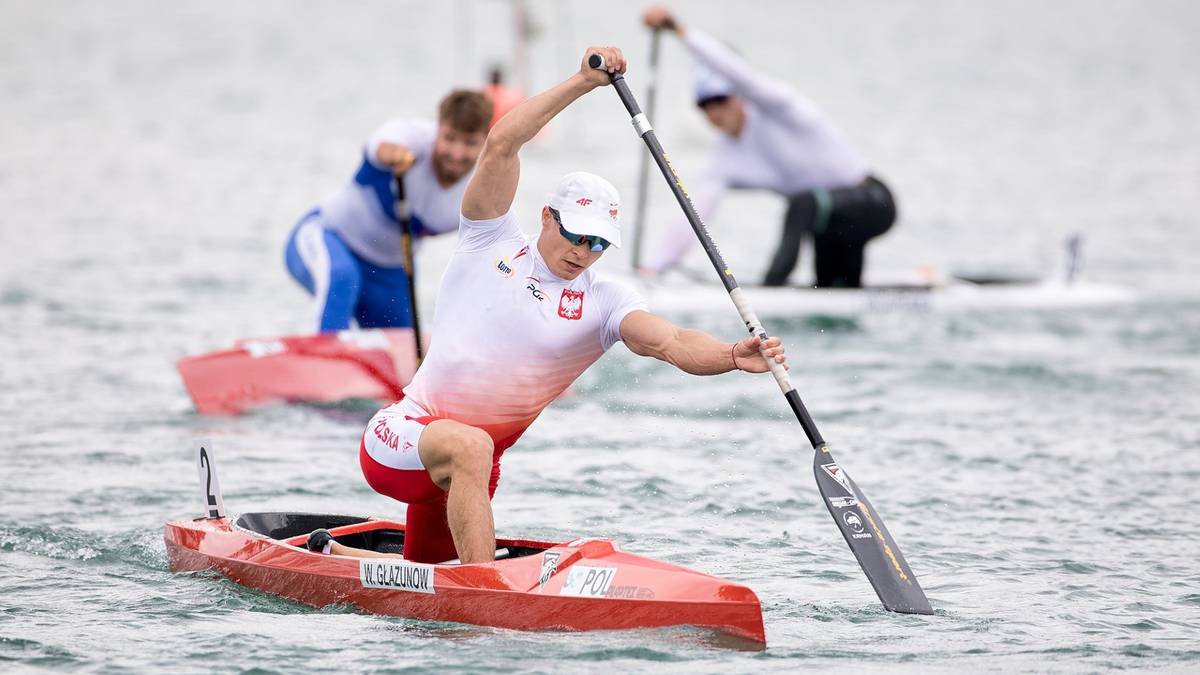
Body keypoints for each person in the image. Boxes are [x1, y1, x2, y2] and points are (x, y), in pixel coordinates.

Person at [306, 46, 787, 565]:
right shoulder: (488, 238)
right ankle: (486, 593)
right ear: (547, 217)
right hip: (399, 438)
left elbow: (669, 341)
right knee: (471, 447)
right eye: (576, 235)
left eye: (598, 243)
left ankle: (392, 573)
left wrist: (731, 355)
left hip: (469, 471)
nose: (583, 252)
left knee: (432, 573)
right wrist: (582, 82)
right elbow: (502, 143)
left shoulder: (606, 301)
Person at [640, 6, 896, 288]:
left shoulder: (777, 107)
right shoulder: (723, 161)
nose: (714, 111)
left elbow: (740, 74)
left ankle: (772, 286)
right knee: (834, 288)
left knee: (803, 202)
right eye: (705, 104)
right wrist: (652, 269)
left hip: (874, 202)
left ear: (739, 96)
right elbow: (694, 215)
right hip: (831, 224)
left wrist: (680, 31)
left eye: (721, 99)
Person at [284, 91, 493, 331]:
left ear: (485, 141)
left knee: (402, 341)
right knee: (342, 278)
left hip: (389, 272)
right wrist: (395, 155)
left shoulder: (482, 191)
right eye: (449, 138)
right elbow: (381, 145)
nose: (456, 154)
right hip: (327, 237)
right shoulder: (415, 137)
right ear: (438, 130)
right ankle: (323, 356)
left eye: (469, 143)